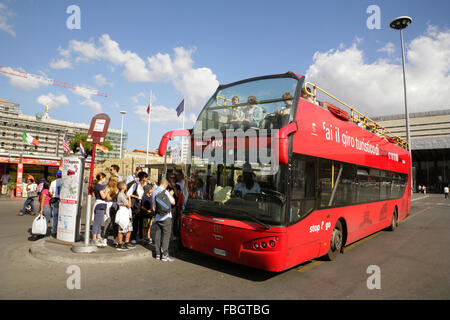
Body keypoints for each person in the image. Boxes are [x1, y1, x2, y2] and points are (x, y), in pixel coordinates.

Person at [153, 179, 176, 261]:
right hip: (166, 217)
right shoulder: (165, 192)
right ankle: (165, 255)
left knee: (157, 236)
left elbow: (153, 206)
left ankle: (158, 254)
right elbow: (173, 202)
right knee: (166, 236)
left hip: (157, 217)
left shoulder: (154, 192)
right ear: (165, 185)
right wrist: (171, 195)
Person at [127, 171, 148, 244]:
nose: (145, 179)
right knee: (135, 222)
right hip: (136, 205)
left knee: (142, 223)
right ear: (140, 178)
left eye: (146, 177)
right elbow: (128, 194)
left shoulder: (146, 185)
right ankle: (133, 238)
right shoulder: (135, 185)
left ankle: (141, 237)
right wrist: (137, 197)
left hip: (143, 206)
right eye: (144, 177)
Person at [115, 181, 135, 251]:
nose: (126, 187)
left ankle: (126, 242)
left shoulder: (123, 194)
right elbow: (129, 205)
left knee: (129, 228)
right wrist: (129, 198)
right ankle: (120, 244)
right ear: (123, 187)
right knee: (121, 229)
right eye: (125, 186)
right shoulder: (121, 195)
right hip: (123, 212)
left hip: (127, 212)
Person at [91, 172, 108, 247]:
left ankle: (98, 236)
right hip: (100, 205)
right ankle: (94, 238)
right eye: (104, 178)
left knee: (99, 222)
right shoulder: (100, 187)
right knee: (97, 223)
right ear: (102, 178)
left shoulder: (98, 186)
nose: (105, 179)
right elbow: (103, 196)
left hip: (101, 205)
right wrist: (107, 191)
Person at [105, 176, 119, 246]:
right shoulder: (107, 188)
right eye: (117, 181)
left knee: (115, 223)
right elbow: (108, 198)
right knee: (108, 222)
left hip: (116, 206)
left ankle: (116, 239)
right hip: (110, 206)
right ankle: (104, 238)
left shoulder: (117, 188)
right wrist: (115, 196)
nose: (118, 182)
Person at [49, 170, 62, 237]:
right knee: (62, 216)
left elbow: (50, 193)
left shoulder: (53, 182)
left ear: (56, 175)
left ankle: (54, 231)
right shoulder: (64, 182)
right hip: (63, 201)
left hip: (55, 200)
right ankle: (61, 231)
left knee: (55, 216)